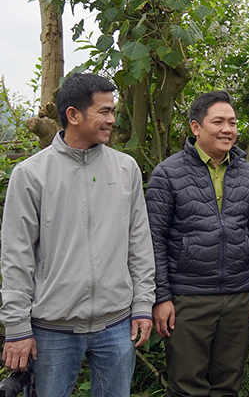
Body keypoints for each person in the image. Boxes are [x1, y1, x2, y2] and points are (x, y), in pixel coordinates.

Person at [0, 73, 156, 397]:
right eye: (104, 111)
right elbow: (16, 257)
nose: (112, 119)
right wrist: (16, 327)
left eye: (113, 111)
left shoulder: (126, 170)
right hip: (51, 328)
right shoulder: (30, 175)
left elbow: (140, 243)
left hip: (117, 324)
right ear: (73, 115)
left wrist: (143, 304)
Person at [145, 90, 249, 396]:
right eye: (218, 121)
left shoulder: (246, 172)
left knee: (227, 385)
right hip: (188, 299)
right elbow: (153, 240)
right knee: (187, 386)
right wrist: (161, 296)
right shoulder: (168, 173)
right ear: (196, 127)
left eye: (232, 122)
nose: (227, 129)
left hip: (239, 297)